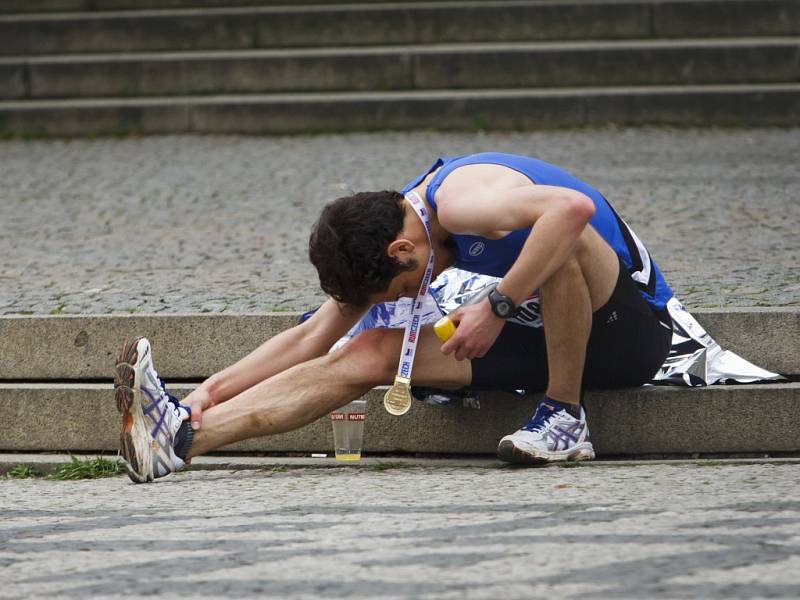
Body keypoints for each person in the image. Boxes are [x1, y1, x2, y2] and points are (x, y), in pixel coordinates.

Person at [114, 152, 674, 483]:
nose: (415, 292)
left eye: (404, 286)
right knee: (369, 349)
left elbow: (571, 211)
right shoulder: (397, 225)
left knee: (558, 238)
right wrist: (206, 392)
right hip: (540, 332)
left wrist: (498, 305)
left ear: (401, 253)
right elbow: (312, 334)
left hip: (627, 332)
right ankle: (178, 440)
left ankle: (565, 417)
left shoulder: (459, 201)